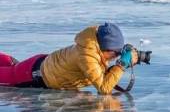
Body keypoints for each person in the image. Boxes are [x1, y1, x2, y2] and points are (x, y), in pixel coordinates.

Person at [0, 22, 138, 94]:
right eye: (116, 53)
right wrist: (121, 65)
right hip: (30, 75)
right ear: (105, 49)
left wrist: (127, 61)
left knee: (12, 67)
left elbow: (100, 73)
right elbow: (103, 88)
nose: (116, 57)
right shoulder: (87, 56)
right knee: (11, 74)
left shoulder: (91, 45)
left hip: (40, 65)